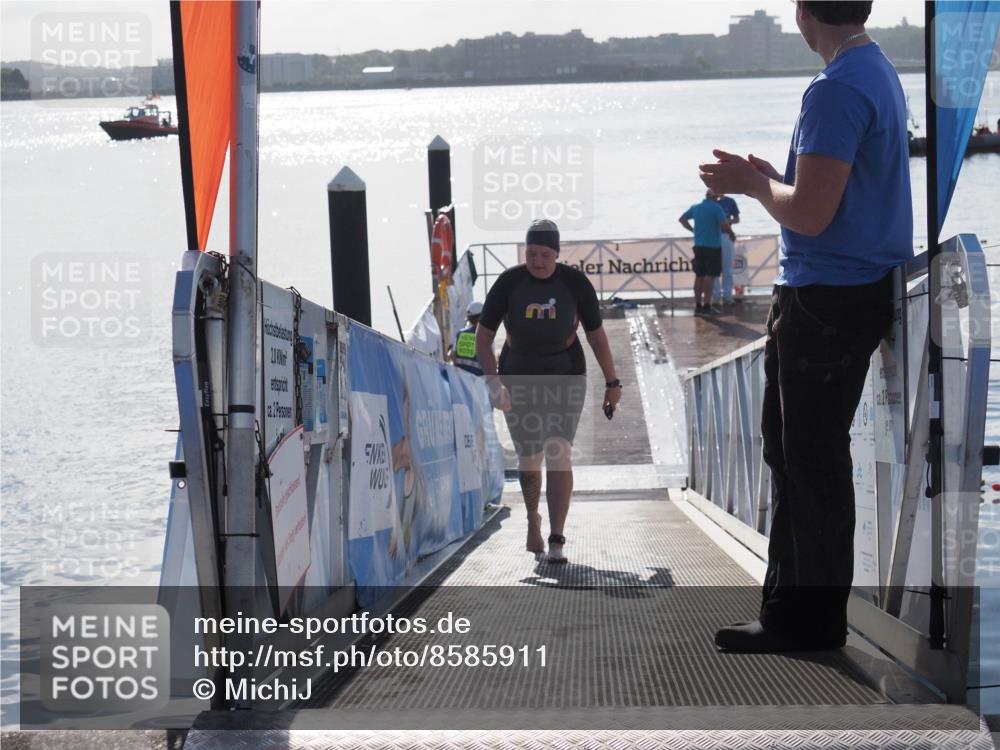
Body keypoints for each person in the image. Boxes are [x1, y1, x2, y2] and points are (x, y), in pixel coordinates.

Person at [699, 0, 911, 652]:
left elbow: (813, 215)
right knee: (800, 457)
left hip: (826, 296)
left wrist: (751, 187)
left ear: (801, 12)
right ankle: (799, 613)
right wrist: (770, 179)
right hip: (852, 291)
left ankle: (807, 621)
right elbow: (833, 196)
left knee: (806, 462)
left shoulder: (836, 88)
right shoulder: (875, 70)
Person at [476, 218, 621, 564]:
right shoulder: (510, 282)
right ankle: (532, 519)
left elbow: (596, 336)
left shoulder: (575, 283)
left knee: (558, 451)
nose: (537, 261)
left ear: (556, 253)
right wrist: (493, 381)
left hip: (566, 374)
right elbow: (483, 336)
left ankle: (557, 537)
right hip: (518, 375)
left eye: (544, 254)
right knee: (529, 456)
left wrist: (612, 382)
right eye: (530, 253)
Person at [679, 190, 731, 314]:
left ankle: (698, 305)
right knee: (710, 277)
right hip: (712, 246)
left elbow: (682, 219)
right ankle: (707, 305)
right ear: (716, 198)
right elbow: (724, 226)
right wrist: (730, 230)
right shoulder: (716, 208)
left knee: (699, 276)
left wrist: (692, 230)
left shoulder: (696, 207)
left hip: (698, 246)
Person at [712, 193, 741, 304]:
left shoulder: (730, 201)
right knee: (714, 268)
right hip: (713, 236)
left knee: (727, 267)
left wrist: (729, 221)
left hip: (726, 235)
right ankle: (716, 296)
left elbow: (737, 218)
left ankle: (727, 295)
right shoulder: (711, 201)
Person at [448, 301, 484, 375]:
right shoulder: (484, 336)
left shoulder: (460, 334)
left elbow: (452, 355)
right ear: (480, 317)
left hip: (462, 378)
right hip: (479, 380)